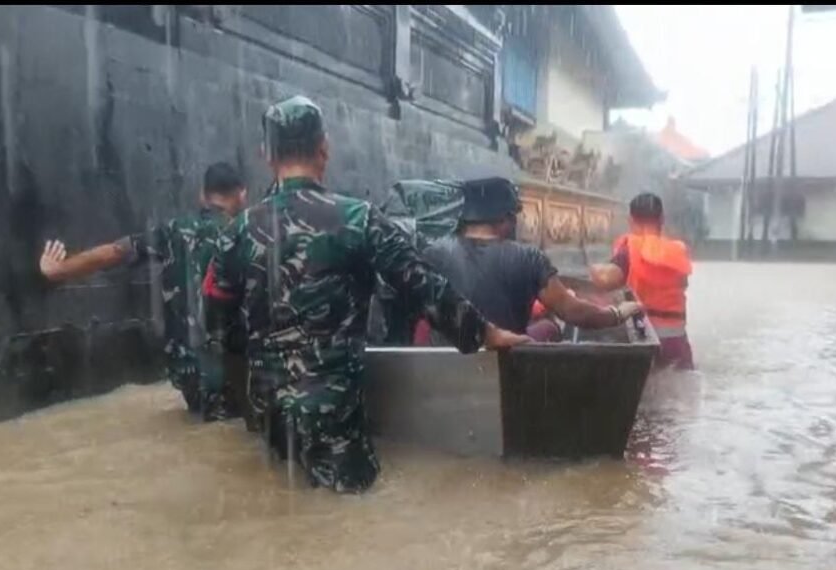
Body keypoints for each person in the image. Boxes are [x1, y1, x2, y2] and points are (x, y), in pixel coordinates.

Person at [203, 95, 528, 493]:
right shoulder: (358, 219)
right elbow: (420, 284)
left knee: (282, 501)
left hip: (269, 412)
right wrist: (484, 333)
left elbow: (217, 324)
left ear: (265, 155)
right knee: (350, 510)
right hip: (335, 417)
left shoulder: (236, 232)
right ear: (324, 148)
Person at [37, 162, 249, 420]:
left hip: (188, 370)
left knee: (205, 421)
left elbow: (115, 252)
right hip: (233, 371)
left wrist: (59, 270)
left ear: (202, 195)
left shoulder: (174, 231)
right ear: (242, 194)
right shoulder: (246, 233)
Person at [420, 177, 642, 340]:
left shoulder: (432, 253)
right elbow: (573, 312)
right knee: (551, 327)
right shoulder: (528, 258)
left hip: (445, 362)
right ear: (505, 218)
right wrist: (617, 312)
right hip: (508, 359)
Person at [590, 192, 694, 370]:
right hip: (677, 342)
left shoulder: (629, 250)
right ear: (661, 219)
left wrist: (592, 268)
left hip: (645, 340)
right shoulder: (678, 250)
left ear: (630, 220)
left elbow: (605, 279)